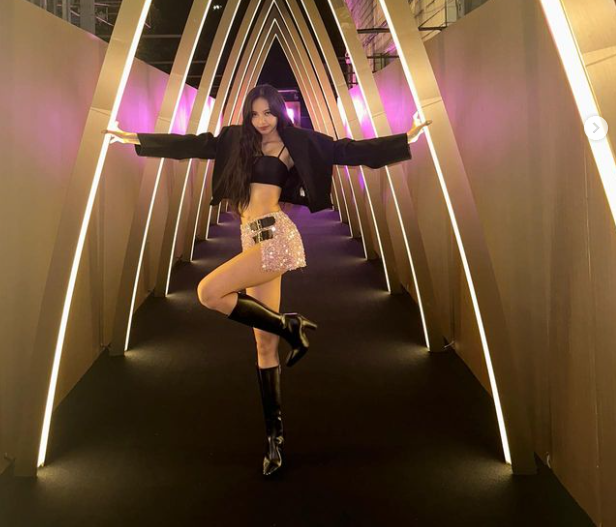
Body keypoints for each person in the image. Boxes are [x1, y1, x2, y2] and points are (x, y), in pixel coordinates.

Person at [104, 84, 430, 477]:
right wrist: (133, 137)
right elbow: (191, 144)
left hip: (276, 237)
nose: (261, 121)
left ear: (279, 112)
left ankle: (289, 325)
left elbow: (349, 151)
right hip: (250, 237)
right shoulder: (235, 141)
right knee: (263, 344)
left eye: (268, 113)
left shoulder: (295, 143)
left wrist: (407, 137)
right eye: (255, 114)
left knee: (208, 292)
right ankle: (274, 437)